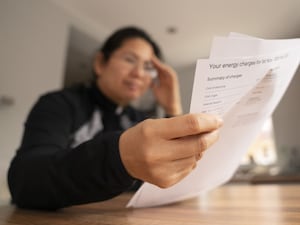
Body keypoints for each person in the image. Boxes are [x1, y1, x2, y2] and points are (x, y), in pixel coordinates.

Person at [7, 26, 223, 210]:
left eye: (148, 67)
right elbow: (25, 181)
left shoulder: (139, 120)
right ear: (100, 63)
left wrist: (172, 108)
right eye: (130, 59)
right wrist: (121, 158)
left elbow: (171, 183)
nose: (139, 73)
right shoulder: (59, 104)